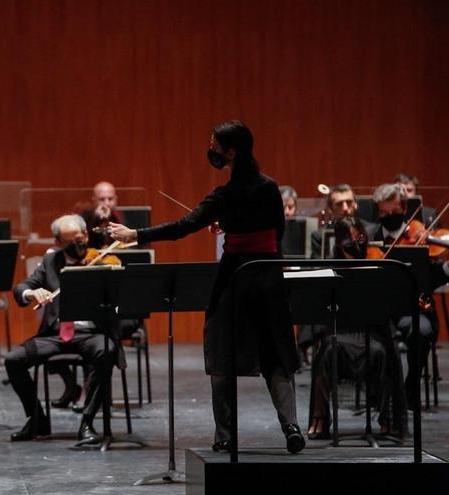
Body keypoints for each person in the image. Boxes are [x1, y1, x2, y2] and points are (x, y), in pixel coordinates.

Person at [109, 120, 305, 454]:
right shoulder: (271, 188)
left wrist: (135, 236)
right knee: (275, 354)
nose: (211, 150)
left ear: (230, 152)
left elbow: (182, 228)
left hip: (236, 279)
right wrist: (230, 223)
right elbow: (275, 229)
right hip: (270, 277)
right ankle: (291, 427)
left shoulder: (224, 195)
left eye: (214, 145)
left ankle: (226, 435)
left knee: (222, 353)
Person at [5, 214, 118, 444]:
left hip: (91, 332)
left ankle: (87, 422)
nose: (80, 244)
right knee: (13, 360)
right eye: (71, 242)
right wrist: (31, 293)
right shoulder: (51, 262)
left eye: (82, 237)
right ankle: (37, 420)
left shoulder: (103, 260)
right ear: (57, 242)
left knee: (106, 351)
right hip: (57, 334)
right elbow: (22, 288)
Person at [306, 216, 407, 439]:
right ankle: (320, 418)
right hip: (341, 331)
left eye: (360, 237)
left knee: (385, 352)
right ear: (339, 244)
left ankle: (389, 417)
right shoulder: (330, 267)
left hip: (373, 331)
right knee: (326, 352)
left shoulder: (378, 262)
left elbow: (391, 305)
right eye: (349, 241)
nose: (356, 243)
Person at [370, 182, 445, 405]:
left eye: (394, 212)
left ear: (404, 210)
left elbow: (432, 280)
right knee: (371, 337)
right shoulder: (370, 239)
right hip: (379, 310)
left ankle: (410, 388)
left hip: (415, 309)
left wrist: (445, 268)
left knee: (421, 332)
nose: (389, 216)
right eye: (384, 212)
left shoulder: (420, 236)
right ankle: (380, 394)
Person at [79, 181, 123, 249]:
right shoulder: (85, 216)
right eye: (102, 199)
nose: (107, 203)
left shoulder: (123, 216)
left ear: (116, 199)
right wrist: (95, 218)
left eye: (110, 199)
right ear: (94, 200)